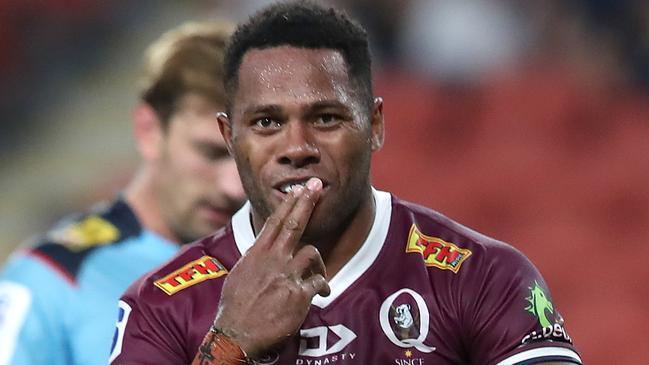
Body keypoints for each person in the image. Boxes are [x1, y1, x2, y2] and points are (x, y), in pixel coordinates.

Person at [110, 2, 582, 364]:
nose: (296, 147)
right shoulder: (160, 306)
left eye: (327, 117)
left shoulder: (485, 277)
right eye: (266, 123)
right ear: (229, 137)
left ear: (374, 125)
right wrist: (230, 344)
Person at [0, 21, 245, 365]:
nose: (233, 186)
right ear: (149, 130)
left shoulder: (285, 273)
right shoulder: (52, 279)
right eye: (210, 152)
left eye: (245, 159)